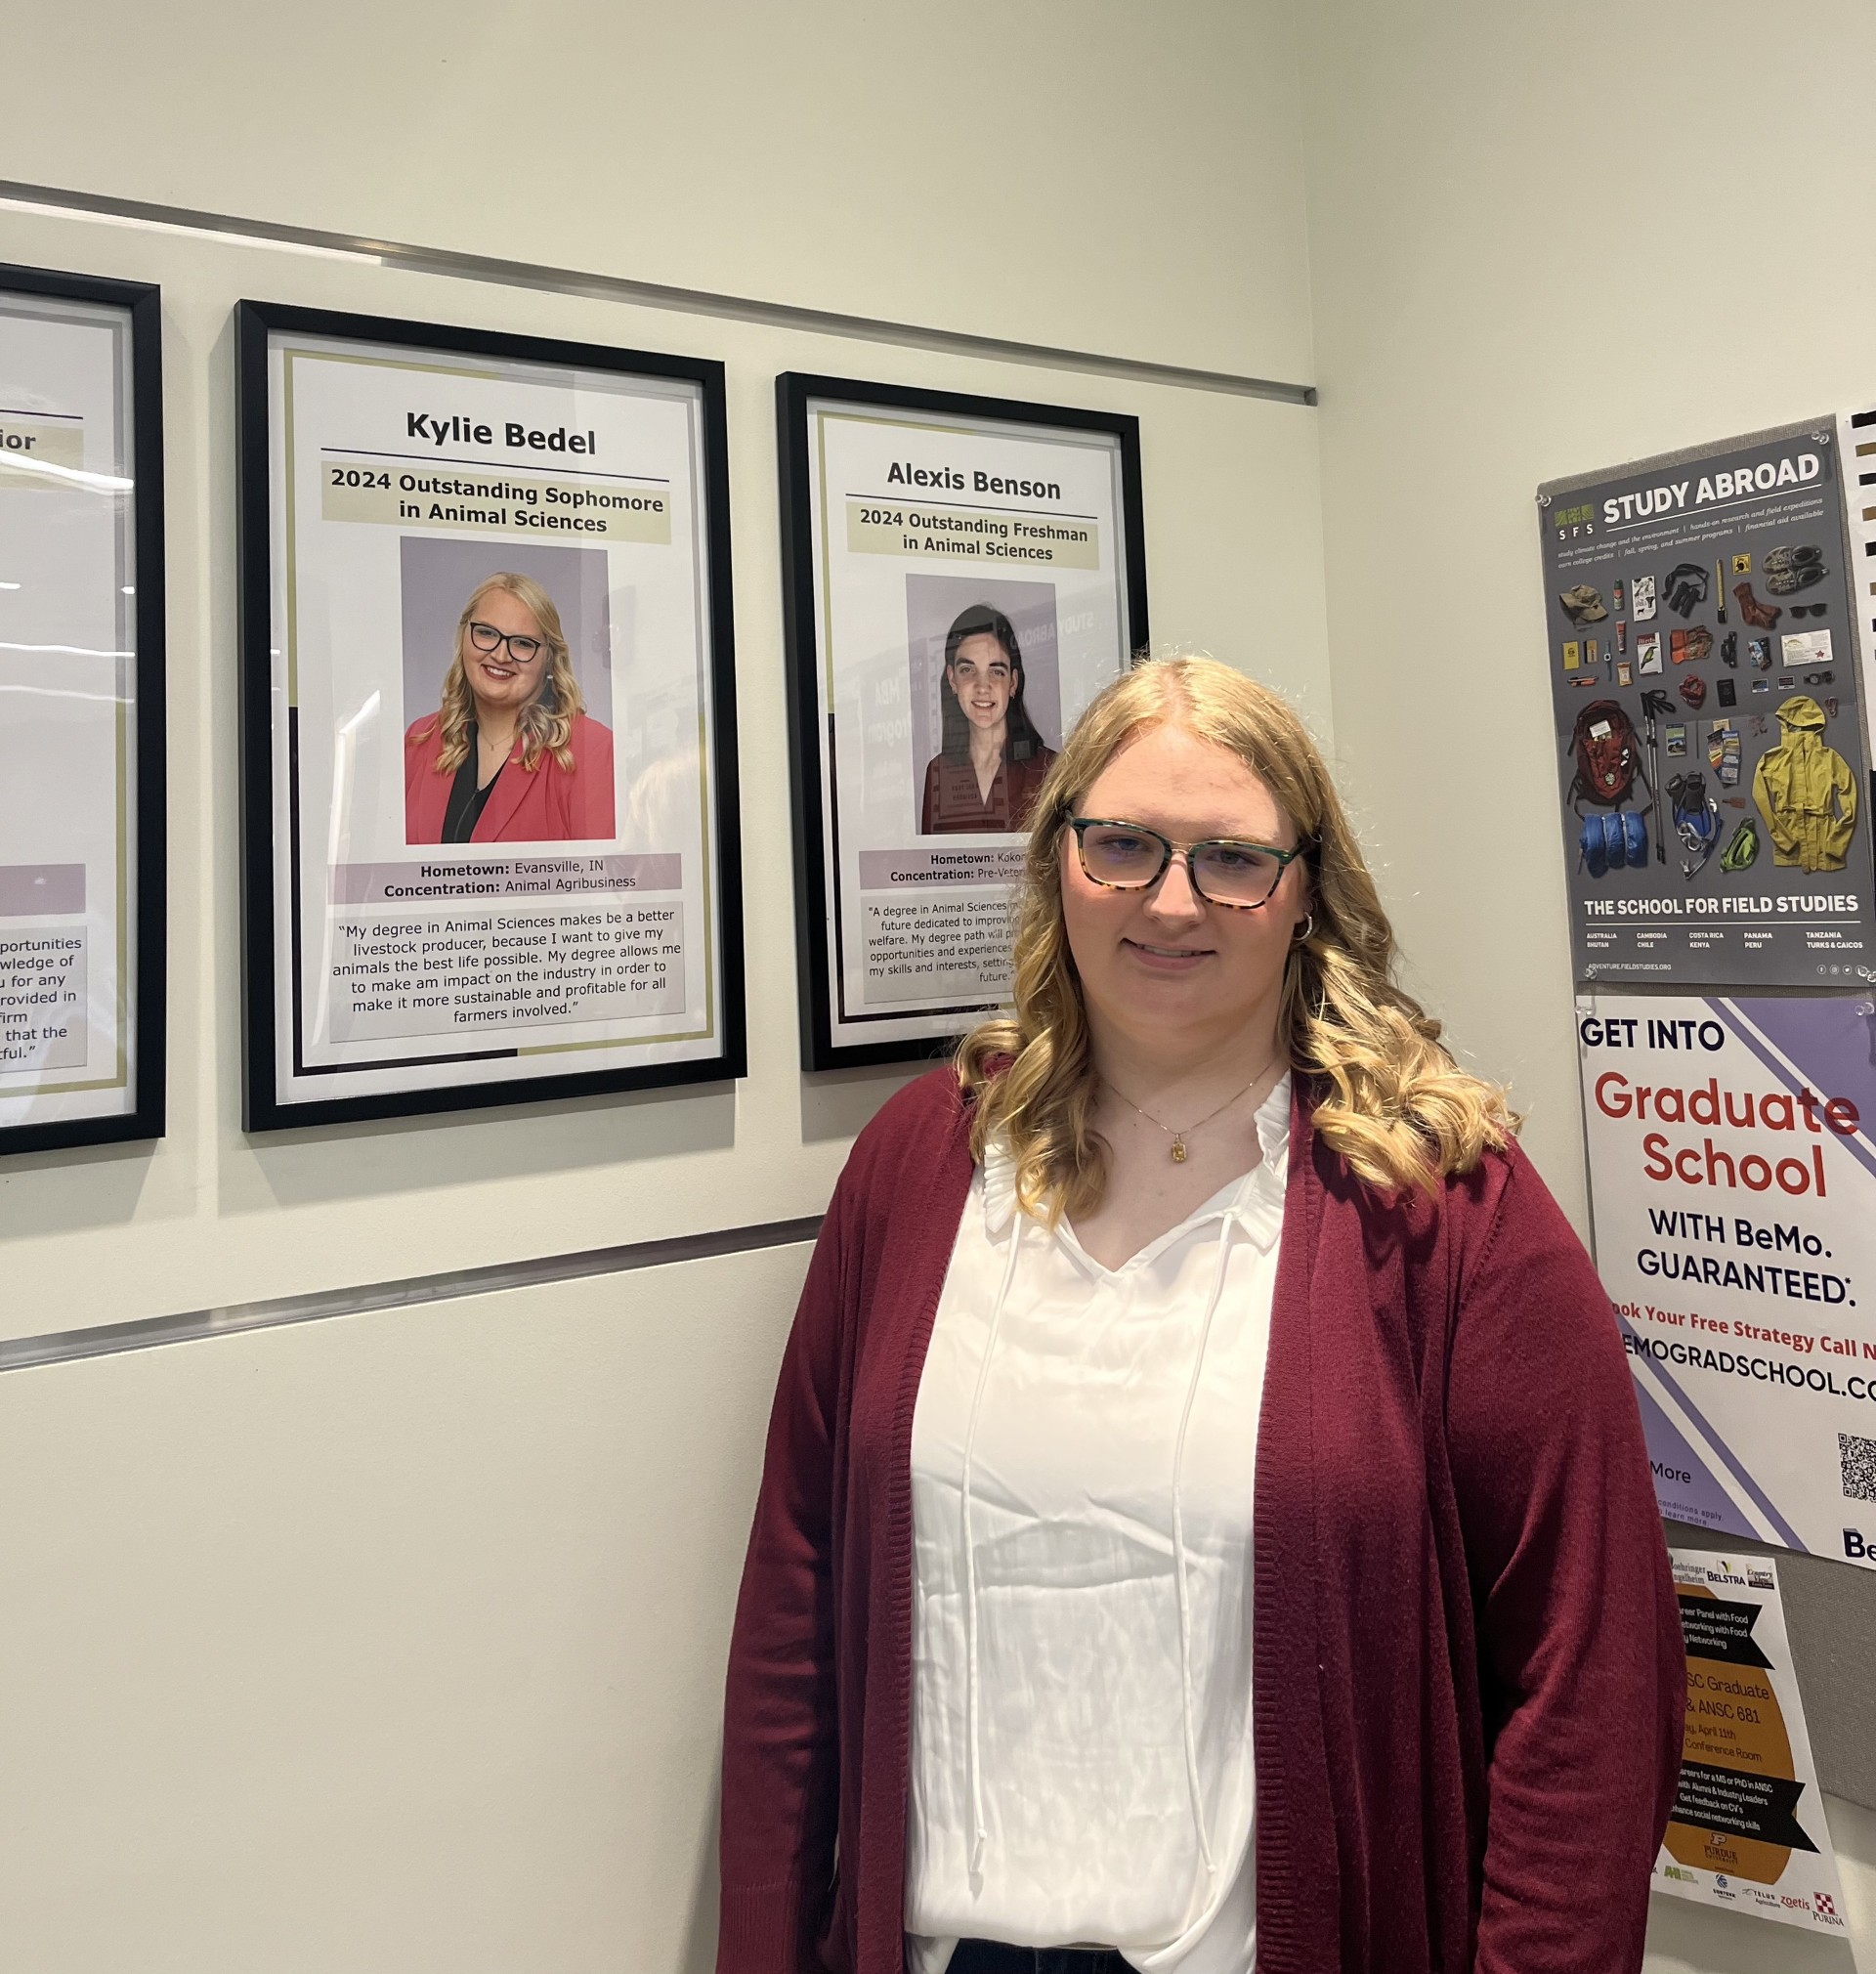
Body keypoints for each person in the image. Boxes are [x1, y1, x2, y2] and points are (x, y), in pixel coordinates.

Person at [718, 657, 1683, 1974]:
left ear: (1304, 893)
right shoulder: (920, 1165)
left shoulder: (1446, 1208)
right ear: (1058, 861)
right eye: (1122, 846)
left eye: (1231, 860)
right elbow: (795, 1608)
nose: (1172, 902)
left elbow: (1596, 1681)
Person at [404, 571, 615, 843]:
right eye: (486, 633)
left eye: (523, 643)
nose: (500, 655)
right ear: (463, 636)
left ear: (549, 658)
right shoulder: (418, 740)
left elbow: (605, 880)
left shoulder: (592, 750)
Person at [919, 604, 1056, 835]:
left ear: (1012, 683)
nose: (983, 687)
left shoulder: (1050, 770)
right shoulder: (938, 772)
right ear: (952, 679)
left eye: (996, 671)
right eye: (967, 670)